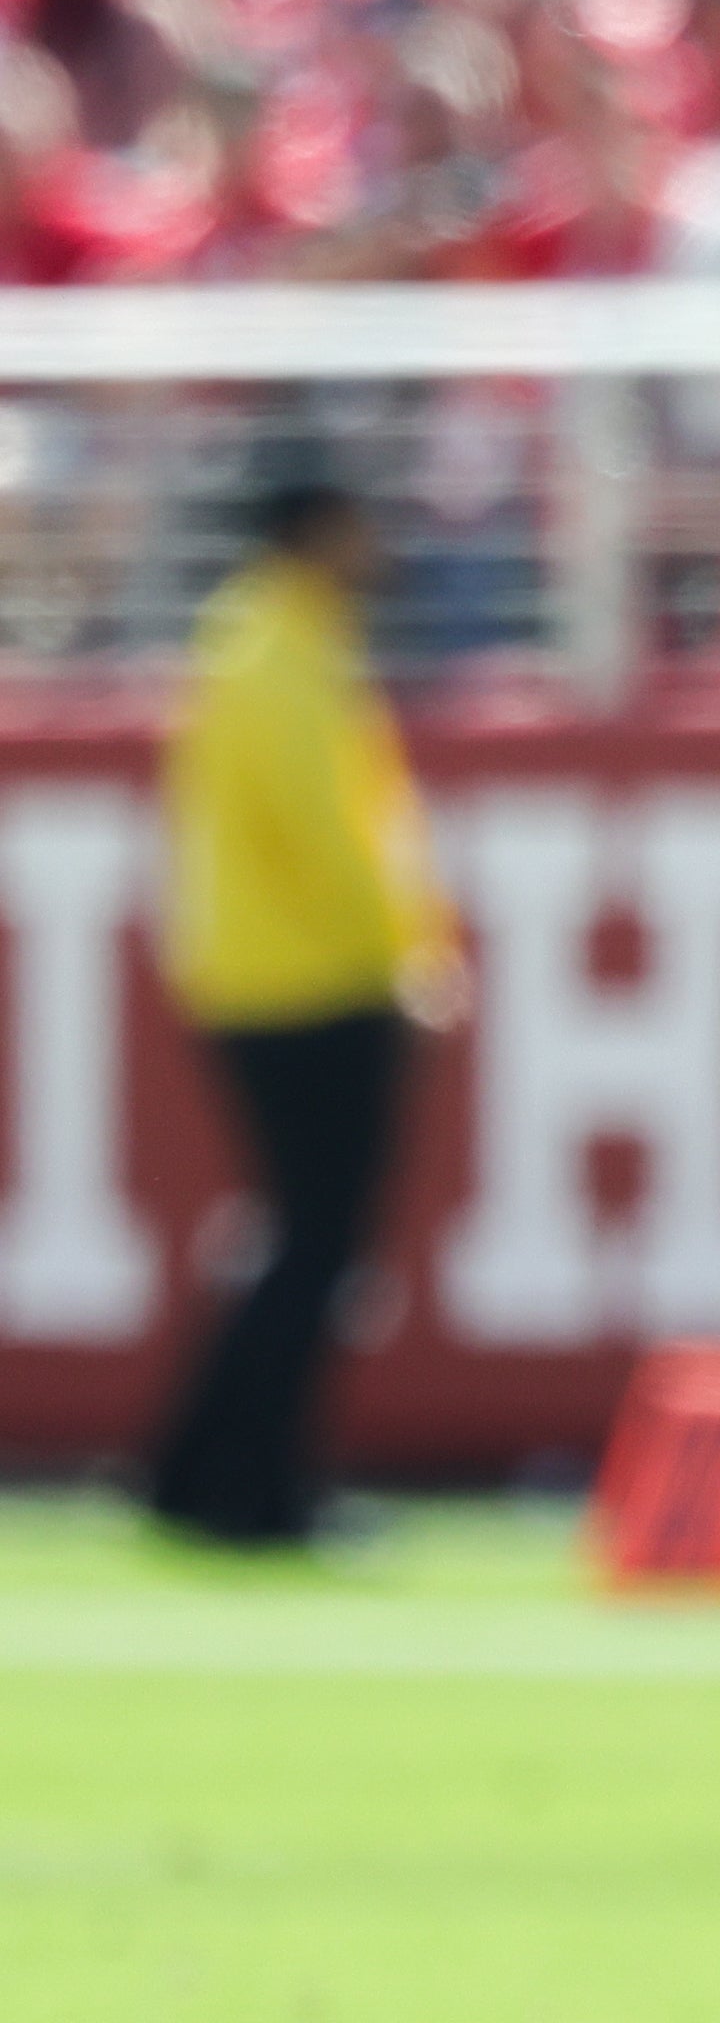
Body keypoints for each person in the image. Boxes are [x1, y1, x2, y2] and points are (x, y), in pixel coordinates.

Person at [145, 469, 461, 1549]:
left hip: (260, 978)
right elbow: (329, 836)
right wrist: (405, 955)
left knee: (294, 1241)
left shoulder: (260, 644)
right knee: (319, 1247)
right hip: (312, 985)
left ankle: (198, 1473)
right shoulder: (277, 654)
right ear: (316, 530)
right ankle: (258, 1486)